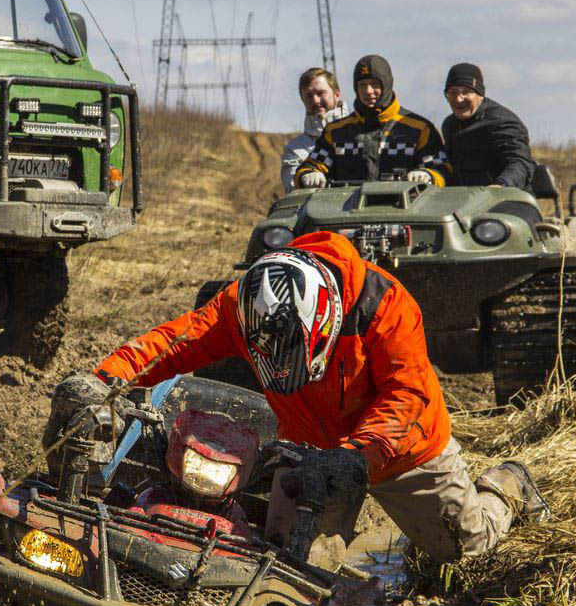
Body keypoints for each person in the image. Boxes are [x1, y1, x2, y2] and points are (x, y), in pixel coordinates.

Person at [83, 230, 549, 562]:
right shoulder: (243, 306)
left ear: (326, 320)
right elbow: (173, 342)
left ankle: (507, 485)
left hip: (402, 448)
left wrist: (358, 458)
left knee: (464, 548)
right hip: (309, 447)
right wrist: (102, 382)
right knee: (291, 564)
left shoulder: (385, 305)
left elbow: (406, 396)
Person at [294, 55, 450, 190]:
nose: (368, 91)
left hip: (406, 218)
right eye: (362, 84)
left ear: (387, 85)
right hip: (347, 218)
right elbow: (311, 166)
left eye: (375, 84)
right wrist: (309, 174)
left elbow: (443, 170)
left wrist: (428, 175)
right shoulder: (335, 132)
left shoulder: (419, 129)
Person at [440, 63, 536, 189]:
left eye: (466, 92)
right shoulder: (449, 124)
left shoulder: (502, 122)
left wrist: (501, 185)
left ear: (480, 94)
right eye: (453, 92)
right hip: (461, 200)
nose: (458, 99)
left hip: (504, 199)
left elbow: (520, 162)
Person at [280, 68, 350, 193]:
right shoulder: (295, 149)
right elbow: (292, 189)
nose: (315, 101)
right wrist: (302, 179)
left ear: (337, 94)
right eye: (309, 96)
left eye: (320, 93)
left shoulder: (361, 133)